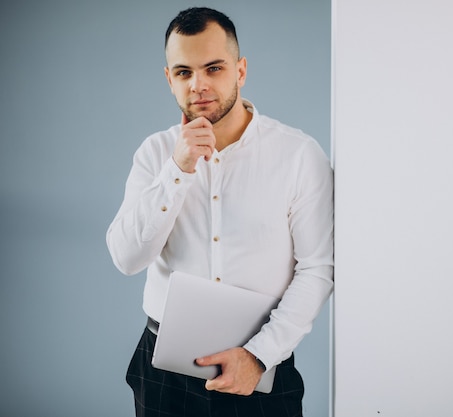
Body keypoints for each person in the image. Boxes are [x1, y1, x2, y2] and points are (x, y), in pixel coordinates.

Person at [106, 7, 334, 417]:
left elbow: (318, 268)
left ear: (240, 70)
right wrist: (177, 170)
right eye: (183, 72)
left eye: (214, 68)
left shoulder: (299, 155)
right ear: (169, 79)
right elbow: (126, 258)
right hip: (164, 374)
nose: (199, 85)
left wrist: (259, 356)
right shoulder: (155, 153)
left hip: (262, 362)